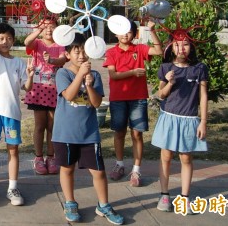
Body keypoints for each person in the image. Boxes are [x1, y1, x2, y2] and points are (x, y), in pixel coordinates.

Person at [54, 33, 124, 225]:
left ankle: (103, 205)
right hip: (65, 132)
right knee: (67, 169)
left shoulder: (94, 76)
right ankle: (70, 202)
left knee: (99, 172)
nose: (81, 54)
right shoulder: (63, 73)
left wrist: (90, 85)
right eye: (76, 50)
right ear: (67, 54)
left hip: (89, 134)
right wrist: (80, 76)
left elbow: (96, 103)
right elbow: (68, 95)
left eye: (85, 50)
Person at [0, 12, 34, 207]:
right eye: (2, 38)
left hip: (12, 113)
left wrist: (30, 75)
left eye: (9, 38)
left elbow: (26, 88)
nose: (5, 42)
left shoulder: (18, 62)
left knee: (13, 150)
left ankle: (12, 187)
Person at [153, 35, 208, 215]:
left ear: (191, 47)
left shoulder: (199, 69)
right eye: (177, 45)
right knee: (166, 157)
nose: (181, 49)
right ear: (171, 47)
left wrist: (203, 122)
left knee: (186, 158)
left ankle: (185, 197)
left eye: (185, 44)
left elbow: (203, 96)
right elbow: (161, 94)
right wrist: (169, 82)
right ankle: (164, 195)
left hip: (189, 119)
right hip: (168, 118)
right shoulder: (166, 68)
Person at [103, 21, 163, 186]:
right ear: (116, 34)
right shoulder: (111, 52)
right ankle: (119, 164)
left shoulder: (140, 49)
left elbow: (158, 51)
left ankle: (136, 170)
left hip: (138, 98)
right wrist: (132, 72)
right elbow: (113, 75)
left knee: (137, 134)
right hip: (118, 98)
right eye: (122, 32)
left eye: (129, 32)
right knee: (119, 132)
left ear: (134, 34)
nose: (125, 35)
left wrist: (152, 30)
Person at [23, 18, 66, 175]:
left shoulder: (60, 44)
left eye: (52, 27)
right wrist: (38, 31)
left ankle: (51, 157)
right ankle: (38, 158)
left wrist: (52, 60)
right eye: (46, 27)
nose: (49, 29)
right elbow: (28, 42)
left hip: (55, 90)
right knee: (40, 125)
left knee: (52, 126)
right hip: (38, 90)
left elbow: (63, 59)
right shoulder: (38, 43)